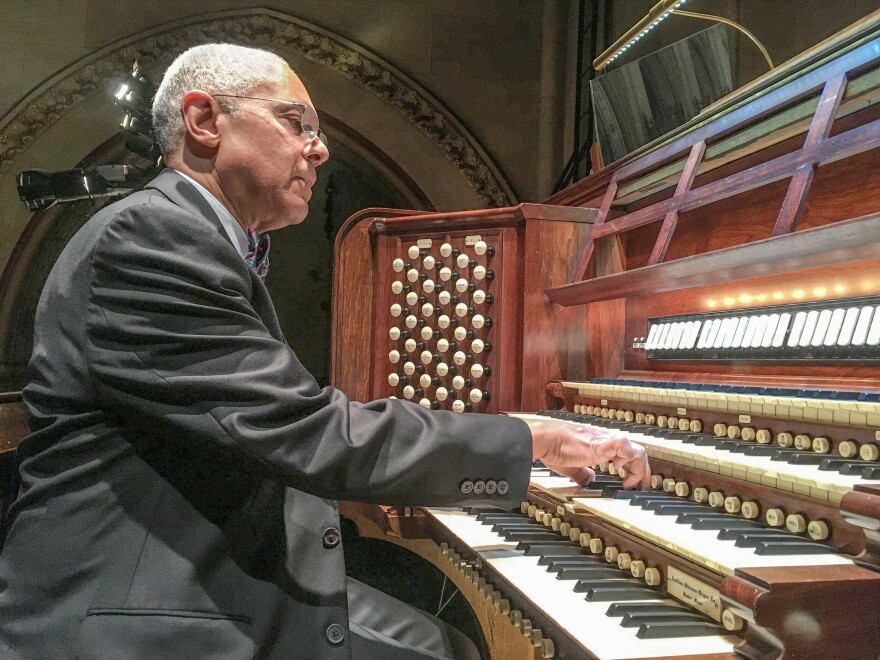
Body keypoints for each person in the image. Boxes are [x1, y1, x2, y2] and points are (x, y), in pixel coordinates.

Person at [0, 43, 650, 659]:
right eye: (294, 122)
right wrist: (526, 437)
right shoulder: (149, 237)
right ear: (203, 120)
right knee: (441, 645)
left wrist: (430, 467)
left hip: (201, 558)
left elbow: (274, 425)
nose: (321, 149)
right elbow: (300, 429)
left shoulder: (186, 235)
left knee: (442, 618)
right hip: (137, 606)